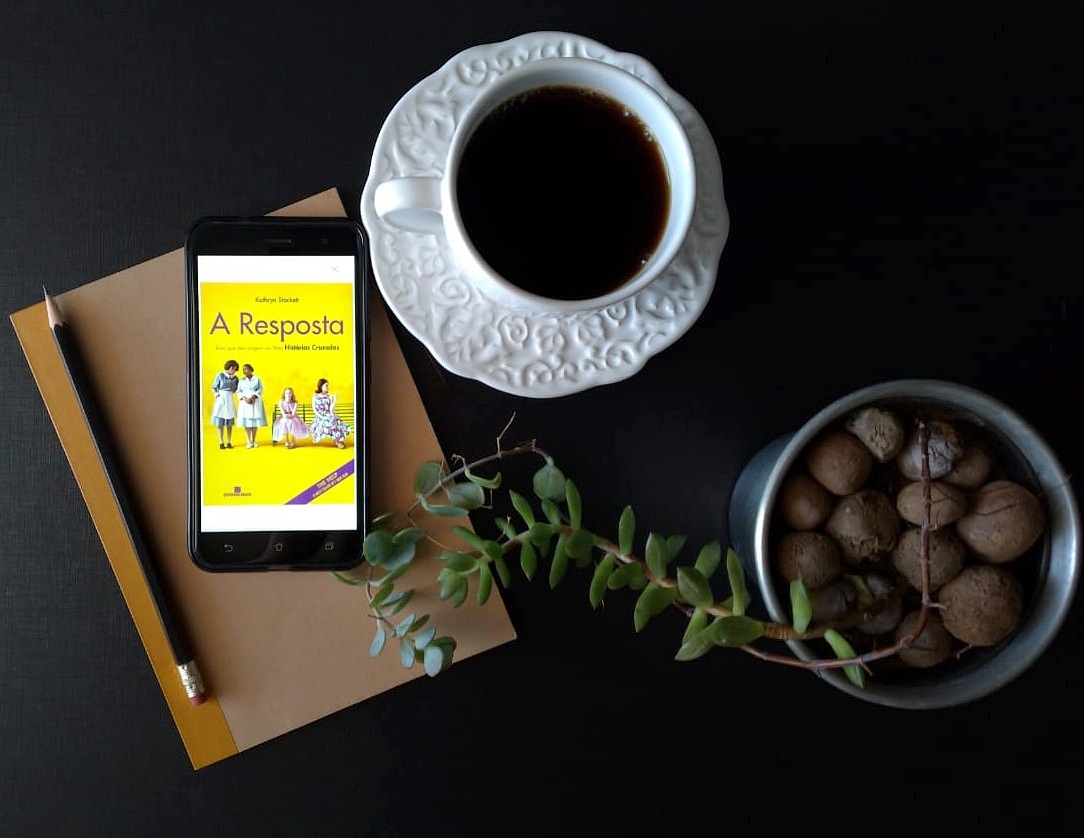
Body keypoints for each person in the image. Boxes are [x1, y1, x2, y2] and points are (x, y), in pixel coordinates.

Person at [309, 378, 350, 449]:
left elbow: (331, 409)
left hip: (329, 414)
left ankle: (337, 441)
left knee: (334, 421)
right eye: (326, 385)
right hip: (319, 416)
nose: (328, 387)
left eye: (328, 386)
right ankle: (337, 441)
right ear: (321, 386)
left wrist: (335, 399)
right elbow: (315, 410)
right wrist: (322, 417)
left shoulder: (329, 396)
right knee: (328, 422)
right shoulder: (315, 397)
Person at [209, 359, 239, 449]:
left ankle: (229, 442)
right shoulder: (220, 375)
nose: (233, 370)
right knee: (220, 422)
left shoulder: (235, 378)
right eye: (232, 368)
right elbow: (214, 387)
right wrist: (217, 395)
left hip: (229, 398)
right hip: (221, 398)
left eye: (235, 369)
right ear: (228, 367)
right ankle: (221, 442)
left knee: (229, 423)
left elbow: (236, 389)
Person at [236, 363, 268, 448]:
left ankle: (254, 441)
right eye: (244, 369)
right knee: (247, 422)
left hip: (255, 402)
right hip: (245, 403)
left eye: (246, 369)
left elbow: (261, 389)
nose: (245, 371)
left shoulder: (257, 379)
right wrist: (245, 398)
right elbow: (238, 391)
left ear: (251, 370)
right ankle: (249, 441)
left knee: (254, 423)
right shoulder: (241, 380)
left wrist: (253, 397)